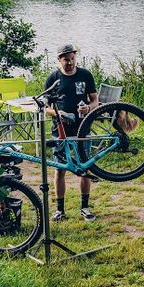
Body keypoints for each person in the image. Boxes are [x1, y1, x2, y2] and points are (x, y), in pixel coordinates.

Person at [44, 44, 99, 221]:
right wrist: (58, 113)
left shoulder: (85, 75)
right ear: (59, 60)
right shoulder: (53, 78)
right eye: (66, 59)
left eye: (72, 58)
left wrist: (89, 108)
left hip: (83, 129)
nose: (70, 62)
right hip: (60, 130)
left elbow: (95, 99)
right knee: (60, 170)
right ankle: (60, 210)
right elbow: (45, 107)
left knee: (84, 167)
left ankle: (85, 207)